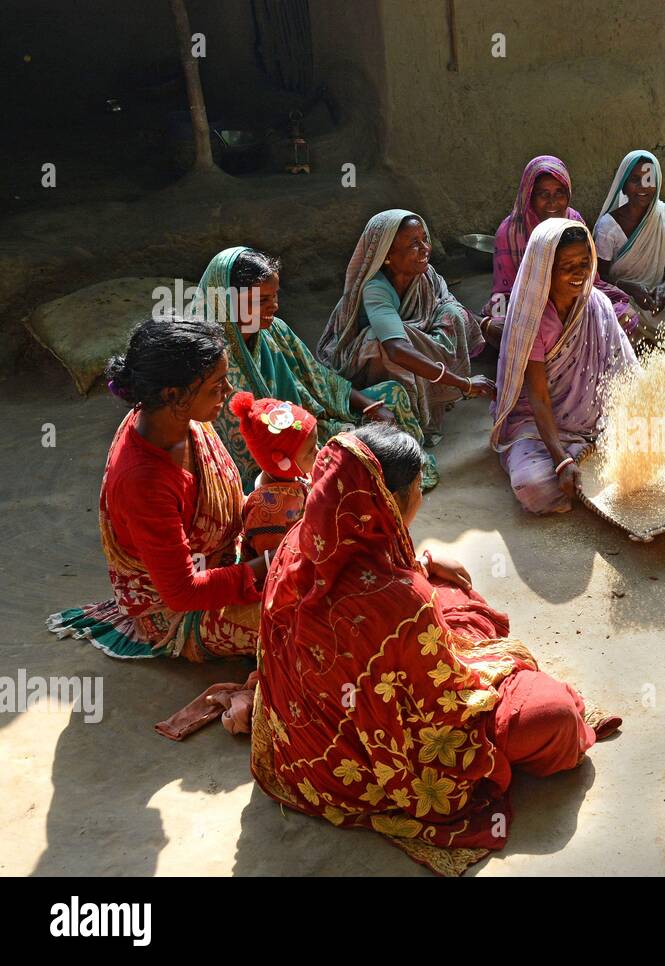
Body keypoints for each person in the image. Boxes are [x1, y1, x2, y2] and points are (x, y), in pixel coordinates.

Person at [250, 423, 620, 876]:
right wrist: (503, 663)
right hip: (370, 764)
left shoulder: (300, 543)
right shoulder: (402, 603)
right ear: (390, 502)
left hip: (306, 749)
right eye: (417, 488)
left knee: (445, 591)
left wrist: (422, 565)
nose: (421, 497)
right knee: (553, 717)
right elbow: (451, 708)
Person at [48, 316, 264, 660]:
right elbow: (183, 592)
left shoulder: (175, 421)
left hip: (222, 561)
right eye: (216, 386)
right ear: (173, 394)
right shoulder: (144, 481)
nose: (228, 392)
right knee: (302, 621)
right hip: (177, 611)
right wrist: (267, 566)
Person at [199, 246, 435, 492]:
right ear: (226, 300)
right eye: (262, 300)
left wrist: (368, 405)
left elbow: (319, 379)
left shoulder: (276, 330)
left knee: (393, 395)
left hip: (311, 428)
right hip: (277, 460)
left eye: (275, 296)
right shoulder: (215, 362)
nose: (275, 306)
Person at [489, 219, 639, 514]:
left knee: (660, 441)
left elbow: (626, 373)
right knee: (533, 487)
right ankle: (578, 458)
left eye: (584, 263)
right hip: (536, 421)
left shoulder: (597, 305)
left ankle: (586, 455)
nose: (578, 273)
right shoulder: (530, 318)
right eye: (566, 265)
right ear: (545, 267)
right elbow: (539, 398)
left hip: (594, 419)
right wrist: (562, 460)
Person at [317, 210, 494, 444]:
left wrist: (490, 326)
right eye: (413, 243)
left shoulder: (426, 275)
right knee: (377, 343)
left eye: (424, 239)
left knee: (453, 313)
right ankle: (405, 415)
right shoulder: (376, 289)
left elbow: (455, 307)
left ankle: (433, 399)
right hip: (365, 365)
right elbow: (396, 349)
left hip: (407, 349)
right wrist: (464, 383)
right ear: (387, 255)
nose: (425, 249)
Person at [484, 155, 637, 336]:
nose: (552, 202)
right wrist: (504, 320)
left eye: (559, 193)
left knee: (625, 316)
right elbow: (503, 292)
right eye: (543, 194)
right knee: (504, 331)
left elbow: (589, 278)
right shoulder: (510, 232)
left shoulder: (574, 221)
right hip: (528, 308)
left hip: (573, 300)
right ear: (529, 195)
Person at [592, 150, 665, 342]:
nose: (643, 186)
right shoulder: (608, 227)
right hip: (625, 298)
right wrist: (631, 288)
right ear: (624, 187)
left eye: (649, 179)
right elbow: (599, 278)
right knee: (617, 315)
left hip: (661, 299)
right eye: (635, 179)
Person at [228, 391, 318, 560]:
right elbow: (276, 562)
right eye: (310, 451)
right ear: (283, 462)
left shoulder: (297, 472)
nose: (318, 452)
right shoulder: (268, 512)